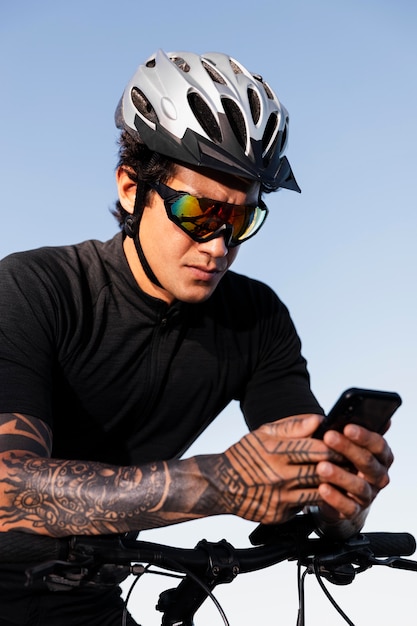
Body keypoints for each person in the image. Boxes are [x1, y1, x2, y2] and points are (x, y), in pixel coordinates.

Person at [0, 49, 393, 625]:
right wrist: (214, 483)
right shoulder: (33, 288)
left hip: (91, 604)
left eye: (241, 220)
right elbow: (8, 488)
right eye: (197, 212)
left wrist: (340, 495)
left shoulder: (256, 319)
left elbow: (293, 466)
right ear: (132, 188)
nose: (218, 246)